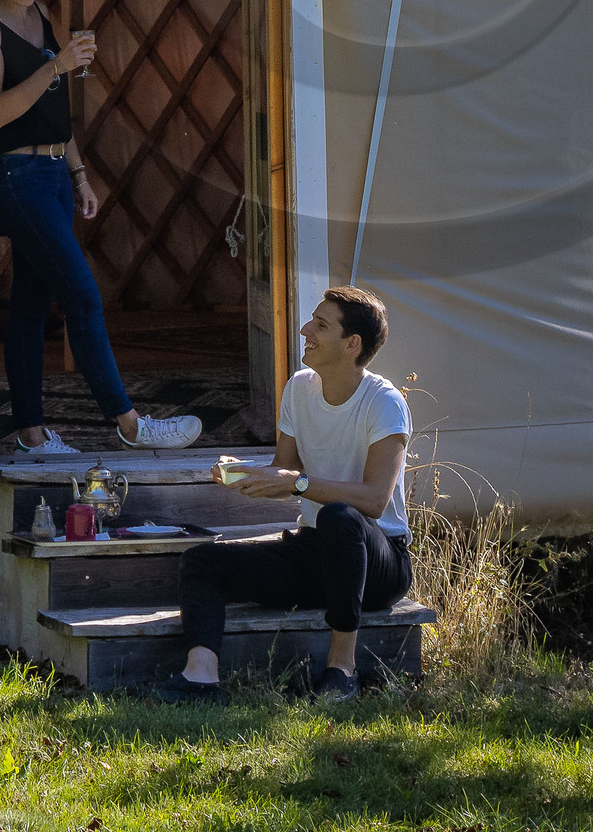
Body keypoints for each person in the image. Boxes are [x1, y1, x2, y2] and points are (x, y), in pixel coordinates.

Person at [0, 0, 201, 456]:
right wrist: (55, 65)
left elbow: (57, 109)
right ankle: (130, 424)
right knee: (81, 294)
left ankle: (33, 436)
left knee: (32, 307)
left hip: (55, 173)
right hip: (16, 175)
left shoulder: (42, 15)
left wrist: (79, 173)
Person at [156, 287, 412, 704]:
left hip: (379, 562)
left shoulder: (384, 403)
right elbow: (285, 470)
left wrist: (299, 483)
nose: (303, 329)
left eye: (320, 325)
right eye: (311, 320)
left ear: (352, 344)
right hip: (316, 553)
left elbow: (374, 500)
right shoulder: (299, 388)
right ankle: (201, 677)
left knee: (340, 517)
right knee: (201, 561)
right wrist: (242, 472)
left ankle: (341, 670)